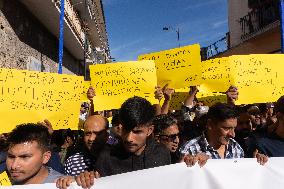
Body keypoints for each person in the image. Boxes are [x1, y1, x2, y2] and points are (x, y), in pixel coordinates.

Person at [56, 97, 171, 189]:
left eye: (137, 132)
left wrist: (188, 166)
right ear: (120, 127)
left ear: (149, 130)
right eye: (126, 130)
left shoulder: (161, 153)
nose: (129, 138)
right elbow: (96, 182)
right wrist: (82, 180)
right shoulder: (107, 156)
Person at [180, 103, 268, 167]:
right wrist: (190, 163)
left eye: (234, 128)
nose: (232, 135)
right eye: (226, 128)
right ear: (210, 125)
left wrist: (255, 163)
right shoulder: (190, 149)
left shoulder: (236, 147)